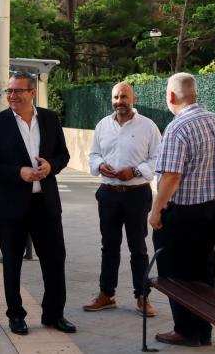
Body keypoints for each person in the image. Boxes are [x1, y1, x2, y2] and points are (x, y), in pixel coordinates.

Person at [0, 71, 75, 336]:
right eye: (9, 91)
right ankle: (16, 315)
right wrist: (17, 172)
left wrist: (50, 167)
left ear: (32, 92)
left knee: (55, 261)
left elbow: (63, 155)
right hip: (10, 207)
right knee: (12, 262)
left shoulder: (49, 118)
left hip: (46, 204)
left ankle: (54, 314)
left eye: (18, 91)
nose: (12, 96)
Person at [150, 72, 215, 347]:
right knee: (203, 269)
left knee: (174, 271)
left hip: (185, 213)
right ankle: (203, 330)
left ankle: (186, 330)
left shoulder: (177, 128)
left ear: (171, 96)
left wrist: (155, 210)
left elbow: (171, 177)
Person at [85, 82, 161, 317]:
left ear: (134, 99)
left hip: (136, 195)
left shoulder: (148, 126)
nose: (120, 101)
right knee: (108, 246)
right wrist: (100, 165)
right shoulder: (102, 125)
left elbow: (157, 160)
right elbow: (94, 155)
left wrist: (135, 172)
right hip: (108, 193)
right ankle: (106, 294)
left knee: (137, 248)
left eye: (124, 97)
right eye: (116, 97)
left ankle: (142, 297)